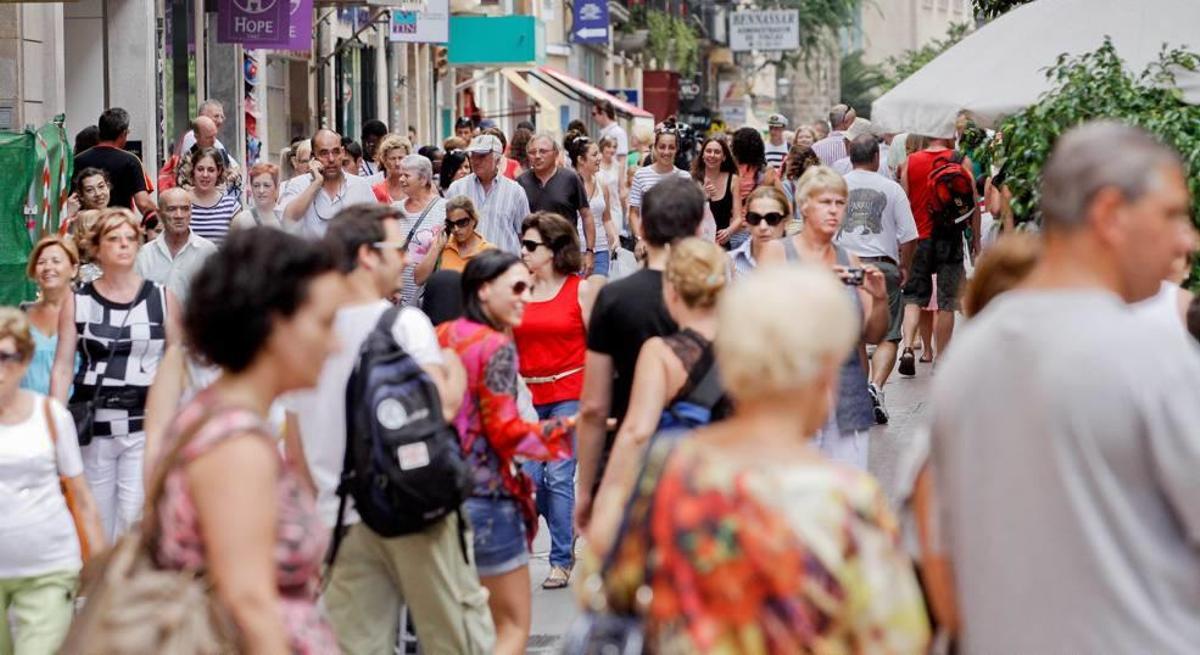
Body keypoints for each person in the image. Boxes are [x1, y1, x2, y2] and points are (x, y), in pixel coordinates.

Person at [926, 121, 1200, 653]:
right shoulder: (1151, 354)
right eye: (1171, 214)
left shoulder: (973, 352)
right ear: (1109, 214)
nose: (1185, 237)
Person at [582, 264, 930, 653]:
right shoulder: (847, 500)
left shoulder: (668, 467)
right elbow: (896, 637)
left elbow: (606, 580)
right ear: (823, 374)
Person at [284, 204, 493, 655]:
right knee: (455, 636)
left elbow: (295, 454)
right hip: (415, 510)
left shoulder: (304, 338)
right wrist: (453, 366)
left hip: (341, 518)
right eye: (397, 249)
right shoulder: (405, 325)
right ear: (366, 256)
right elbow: (443, 406)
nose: (405, 259)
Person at [155, 227, 341, 654]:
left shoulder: (222, 418)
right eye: (325, 323)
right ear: (275, 325)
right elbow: (249, 603)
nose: (335, 343)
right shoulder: (236, 445)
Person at [437, 250, 575, 655]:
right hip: (488, 498)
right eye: (516, 288)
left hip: (442, 497)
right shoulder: (494, 345)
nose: (526, 298)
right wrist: (566, 432)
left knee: (465, 627)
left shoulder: (443, 335)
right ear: (483, 291)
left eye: (529, 288)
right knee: (511, 627)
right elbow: (506, 433)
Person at [574, 177, 704, 533]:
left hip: (630, 455)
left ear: (643, 228)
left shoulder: (615, 298)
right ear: (697, 227)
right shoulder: (715, 297)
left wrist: (586, 489)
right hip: (702, 463)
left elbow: (594, 406)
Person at [51, 209, 181, 539]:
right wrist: (53, 419)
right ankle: (99, 588)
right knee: (95, 518)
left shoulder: (162, 298)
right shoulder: (78, 301)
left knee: (136, 516)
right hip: (94, 423)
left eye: (129, 238)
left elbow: (177, 362)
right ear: (96, 247)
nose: (123, 245)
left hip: (145, 422)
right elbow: (64, 363)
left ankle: (127, 588)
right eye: (113, 239)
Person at [589, 238, 731, 539]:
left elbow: (636, 432)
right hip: (736, 489)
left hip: (682, 490)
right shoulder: (749, 348)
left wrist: (604, 500)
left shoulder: (661, 353)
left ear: (672, 291)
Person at [761, 167, 888, 471]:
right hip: (796, 394)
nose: (834, 210)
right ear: (804, 205)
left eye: (840, 203)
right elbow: (764, 324)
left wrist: (880, 298)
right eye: (825, 202)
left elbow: (873, 335)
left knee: (845, 497)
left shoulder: (850, 260)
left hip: (847, 395)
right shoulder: (778, 254)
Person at [0, 308, 106, 655]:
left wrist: (102, 578)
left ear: (26, 359)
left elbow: (83, 498)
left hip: (48, 565)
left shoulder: (50, 416)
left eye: (7, 357)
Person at [510, 213, 598, 590]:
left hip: (569, 392)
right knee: (532, 479)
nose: (523, 252)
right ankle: (567, 533)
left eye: (531, 246)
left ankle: (560, 559)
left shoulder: (580, 289)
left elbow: (598, 347)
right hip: (529, 395)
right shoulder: (517, 289)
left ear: (554, 250)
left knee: (559, 475)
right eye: (523, 244)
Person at [834, 135, 919, 424]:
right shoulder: (891, 188)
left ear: (850, 156)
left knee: (854, 334)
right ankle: (877, 387)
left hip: (845, 267)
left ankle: (860, 392)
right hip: (883, 268)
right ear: (876, 158)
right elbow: (909, 236)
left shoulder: (837, 187)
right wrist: (905, 266)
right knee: (889, 334)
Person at [896, 132, 980, 374]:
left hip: (919, 236)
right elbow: (972, 203)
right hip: (950, 237)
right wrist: (975, 240)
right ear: (947, 136)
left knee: (913, 296)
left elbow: (906, 203)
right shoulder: (960, 160)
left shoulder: (910, 162)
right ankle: (942, 359)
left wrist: (903, 244)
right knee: (947, 301)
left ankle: (909, 348)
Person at [518, 133, 597, 274]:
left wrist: (590, 251)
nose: (537, 156)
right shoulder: (521, 183)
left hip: (565, 253)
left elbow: (586, 215)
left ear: (555, 153)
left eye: (542, 151)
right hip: (533, 255)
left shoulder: (570, 178)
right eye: (532, 152)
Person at [278, 129, 377, 239]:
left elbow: (376, 227)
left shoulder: (360, 185)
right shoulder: (299, 184)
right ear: (313, 156)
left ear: (343, 152)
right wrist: (315, 184)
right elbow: (288, 219)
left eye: (336, 152)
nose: (331, 159)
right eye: (324, 153)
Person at [445, 135, 531, 254]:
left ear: (497, 159)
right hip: (467, 264)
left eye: (482, 156)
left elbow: (524, 233)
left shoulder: (515, 191)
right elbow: (447, 228)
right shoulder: (457, 188)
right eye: (473, 155)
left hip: (504, 265)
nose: (475, 161)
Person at [134, 187, 218, 305]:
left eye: (185, 209)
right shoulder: (144, 255)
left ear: (191, 212)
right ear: (159, 214)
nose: (179, 215)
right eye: (172, 209)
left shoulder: (208, 251)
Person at [20, 237, 80, 395]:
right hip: (28, 414)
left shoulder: (88, 315)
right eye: (41, 262)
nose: (48, 267)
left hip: (74, 414)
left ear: (74, 269)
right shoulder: (21, 317)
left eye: (56, 261)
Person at [73, 107, 156, 216]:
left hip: (88, 225)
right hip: (119, 225)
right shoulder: (130, 161)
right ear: (124, 133)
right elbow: (143, 203)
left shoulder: (78, 160)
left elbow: (72, 199)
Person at [395, 154, 447, 306]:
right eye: (401, 175)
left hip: (429, 298)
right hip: (397, 298)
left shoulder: (444, 209)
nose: (401, 179)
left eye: (406, 175)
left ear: (423, 179)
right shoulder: (395, 210)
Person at [626, 126, 692, 242]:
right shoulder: (641, 175)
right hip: (648, 244)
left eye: (671, 147)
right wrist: (640, 239)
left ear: (676, 149)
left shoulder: (685, 177)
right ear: (655, 148)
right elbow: (633, 213)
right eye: (662, 147)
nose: (666, 152)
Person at [569, 136, 619, 278]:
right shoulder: (567, 186)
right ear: (580, 160)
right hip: (575, 252)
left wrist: (615, 238)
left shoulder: (602, 185)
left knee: (597, 293)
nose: (600, 157)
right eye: (594, 154)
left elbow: (607, 218)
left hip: (601, 249)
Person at [415, 196, 495, 284]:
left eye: (462, 222)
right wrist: (436, 248)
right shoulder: (443, 245)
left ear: (473, 220)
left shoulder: (488, 251)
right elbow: (419, 279)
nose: (456, 229)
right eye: (451, 224)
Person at [730, 126, 781, 246]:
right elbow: (784, 202)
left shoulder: (729, 171)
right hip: (759, 227)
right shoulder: (768, 172)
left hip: (732, 228)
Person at [727, 186, 790, 279]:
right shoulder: (727, 263)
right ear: (747, 222)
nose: (763, 227)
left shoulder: (802, 263)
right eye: (755, 218)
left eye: (772, 218)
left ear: (785, 222)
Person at [691, 137, 742, 248]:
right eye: (708, 151)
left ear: (724, 157)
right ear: (702, 155)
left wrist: (729, 231)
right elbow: (687, 215)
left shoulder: (733, 179)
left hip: (721, 245)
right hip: (698, 244)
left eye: (717, 152)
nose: (712, 155)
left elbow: (739, 218)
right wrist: (702, 197)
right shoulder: (693, 179)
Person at [185, 147, 243, 245]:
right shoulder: (181, 202)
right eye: (200, 169)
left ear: (219, 171)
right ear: (193, 170)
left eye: (211, 170)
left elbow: (239, 246)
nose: (205, 174)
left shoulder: (231, 207)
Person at [231, 162, 284, 230]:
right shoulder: (241, 220)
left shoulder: (285, 218)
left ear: (277, 187)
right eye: (256, 185)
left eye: (266, 185)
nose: (261, 190)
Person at [780, 145, 822, 228]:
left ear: (792, 163)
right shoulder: (821, 182)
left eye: (788, 158)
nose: (785, 161)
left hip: (798, 231)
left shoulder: (787, 185)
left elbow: (787, 214)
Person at [592, 101, 628, 186]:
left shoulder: (619, 132)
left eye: (594, 114)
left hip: (613, 180)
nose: (593, 117)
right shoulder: (604, 132)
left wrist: (621, 186)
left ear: (603, 114)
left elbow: (622, 161)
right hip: (603, 176)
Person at [597, 136, 626, 237]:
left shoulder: (618, 166)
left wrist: (626, 208)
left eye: (614, 147)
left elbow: (622, 189)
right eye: (608, 146)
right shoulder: (596, 164)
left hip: (614, 208)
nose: (612, 150)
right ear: (602, 147)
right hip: (599, 207)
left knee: (614, 238)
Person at [370, 133, 410, 205]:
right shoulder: (375, 189)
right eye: (392, 159)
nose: (397, 163)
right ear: (384, 160)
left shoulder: (416, 187)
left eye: (401, 158)